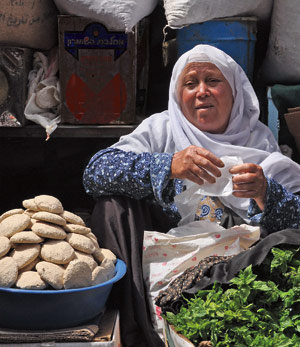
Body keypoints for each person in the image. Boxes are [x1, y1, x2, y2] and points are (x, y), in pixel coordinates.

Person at [83, 44, 300, 347]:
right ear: (177, 93)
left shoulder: (260, 143)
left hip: (231, 270)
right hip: (160, 258)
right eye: (190, 83)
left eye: (213, 81)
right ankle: (138, 330)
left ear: (235, 91)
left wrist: (266, 194)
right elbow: (96, 172)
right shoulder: (163, 129)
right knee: (112, 206)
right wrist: (168, 166)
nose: (201, 91)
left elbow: (297, 223)